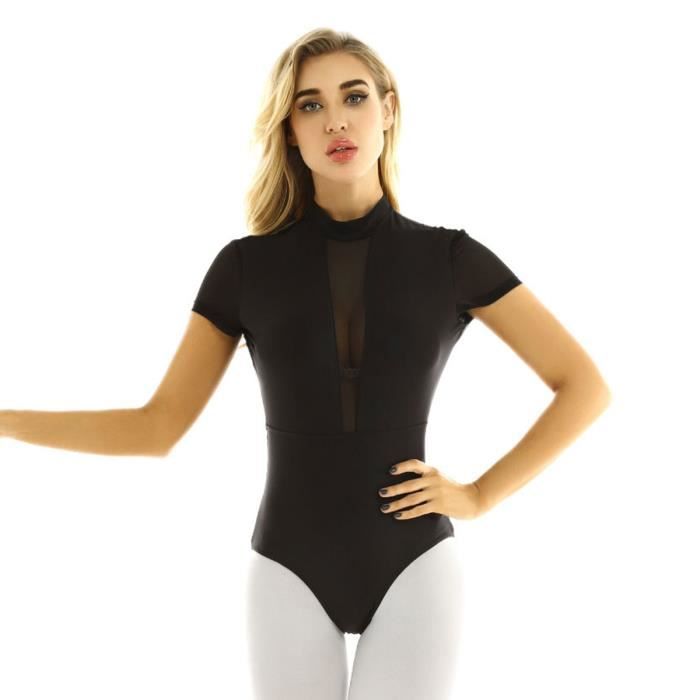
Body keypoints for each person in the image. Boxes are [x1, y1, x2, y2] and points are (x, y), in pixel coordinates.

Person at [1, 28, 612, 700]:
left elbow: (584, 386)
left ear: (389, 109)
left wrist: (479, 495)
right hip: (288, 566)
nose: (336, 121)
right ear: (290, 131)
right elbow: (157, 426)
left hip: (414, 565)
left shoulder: (450, 258)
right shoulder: (245, 268)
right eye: (310, 105)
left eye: (354, 97)